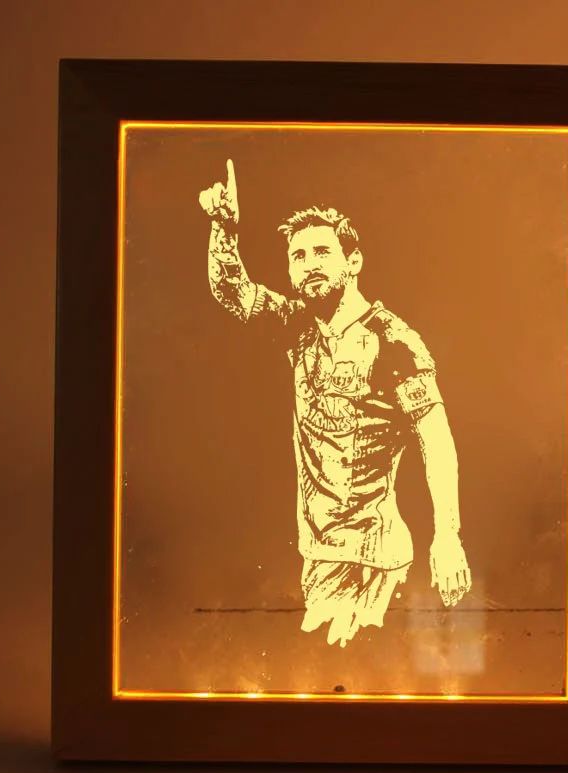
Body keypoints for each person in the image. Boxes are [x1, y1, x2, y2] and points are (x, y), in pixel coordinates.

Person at [199, 159, 471, 647]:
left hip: (375, 560)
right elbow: (234, 293)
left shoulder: (393, 342)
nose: (309, 264)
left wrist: (448, 536)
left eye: (322, 251)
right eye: (298, 256)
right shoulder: (298, 327)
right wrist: (224, 227)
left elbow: (437, 440)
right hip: (320, 557)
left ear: (354, 260)